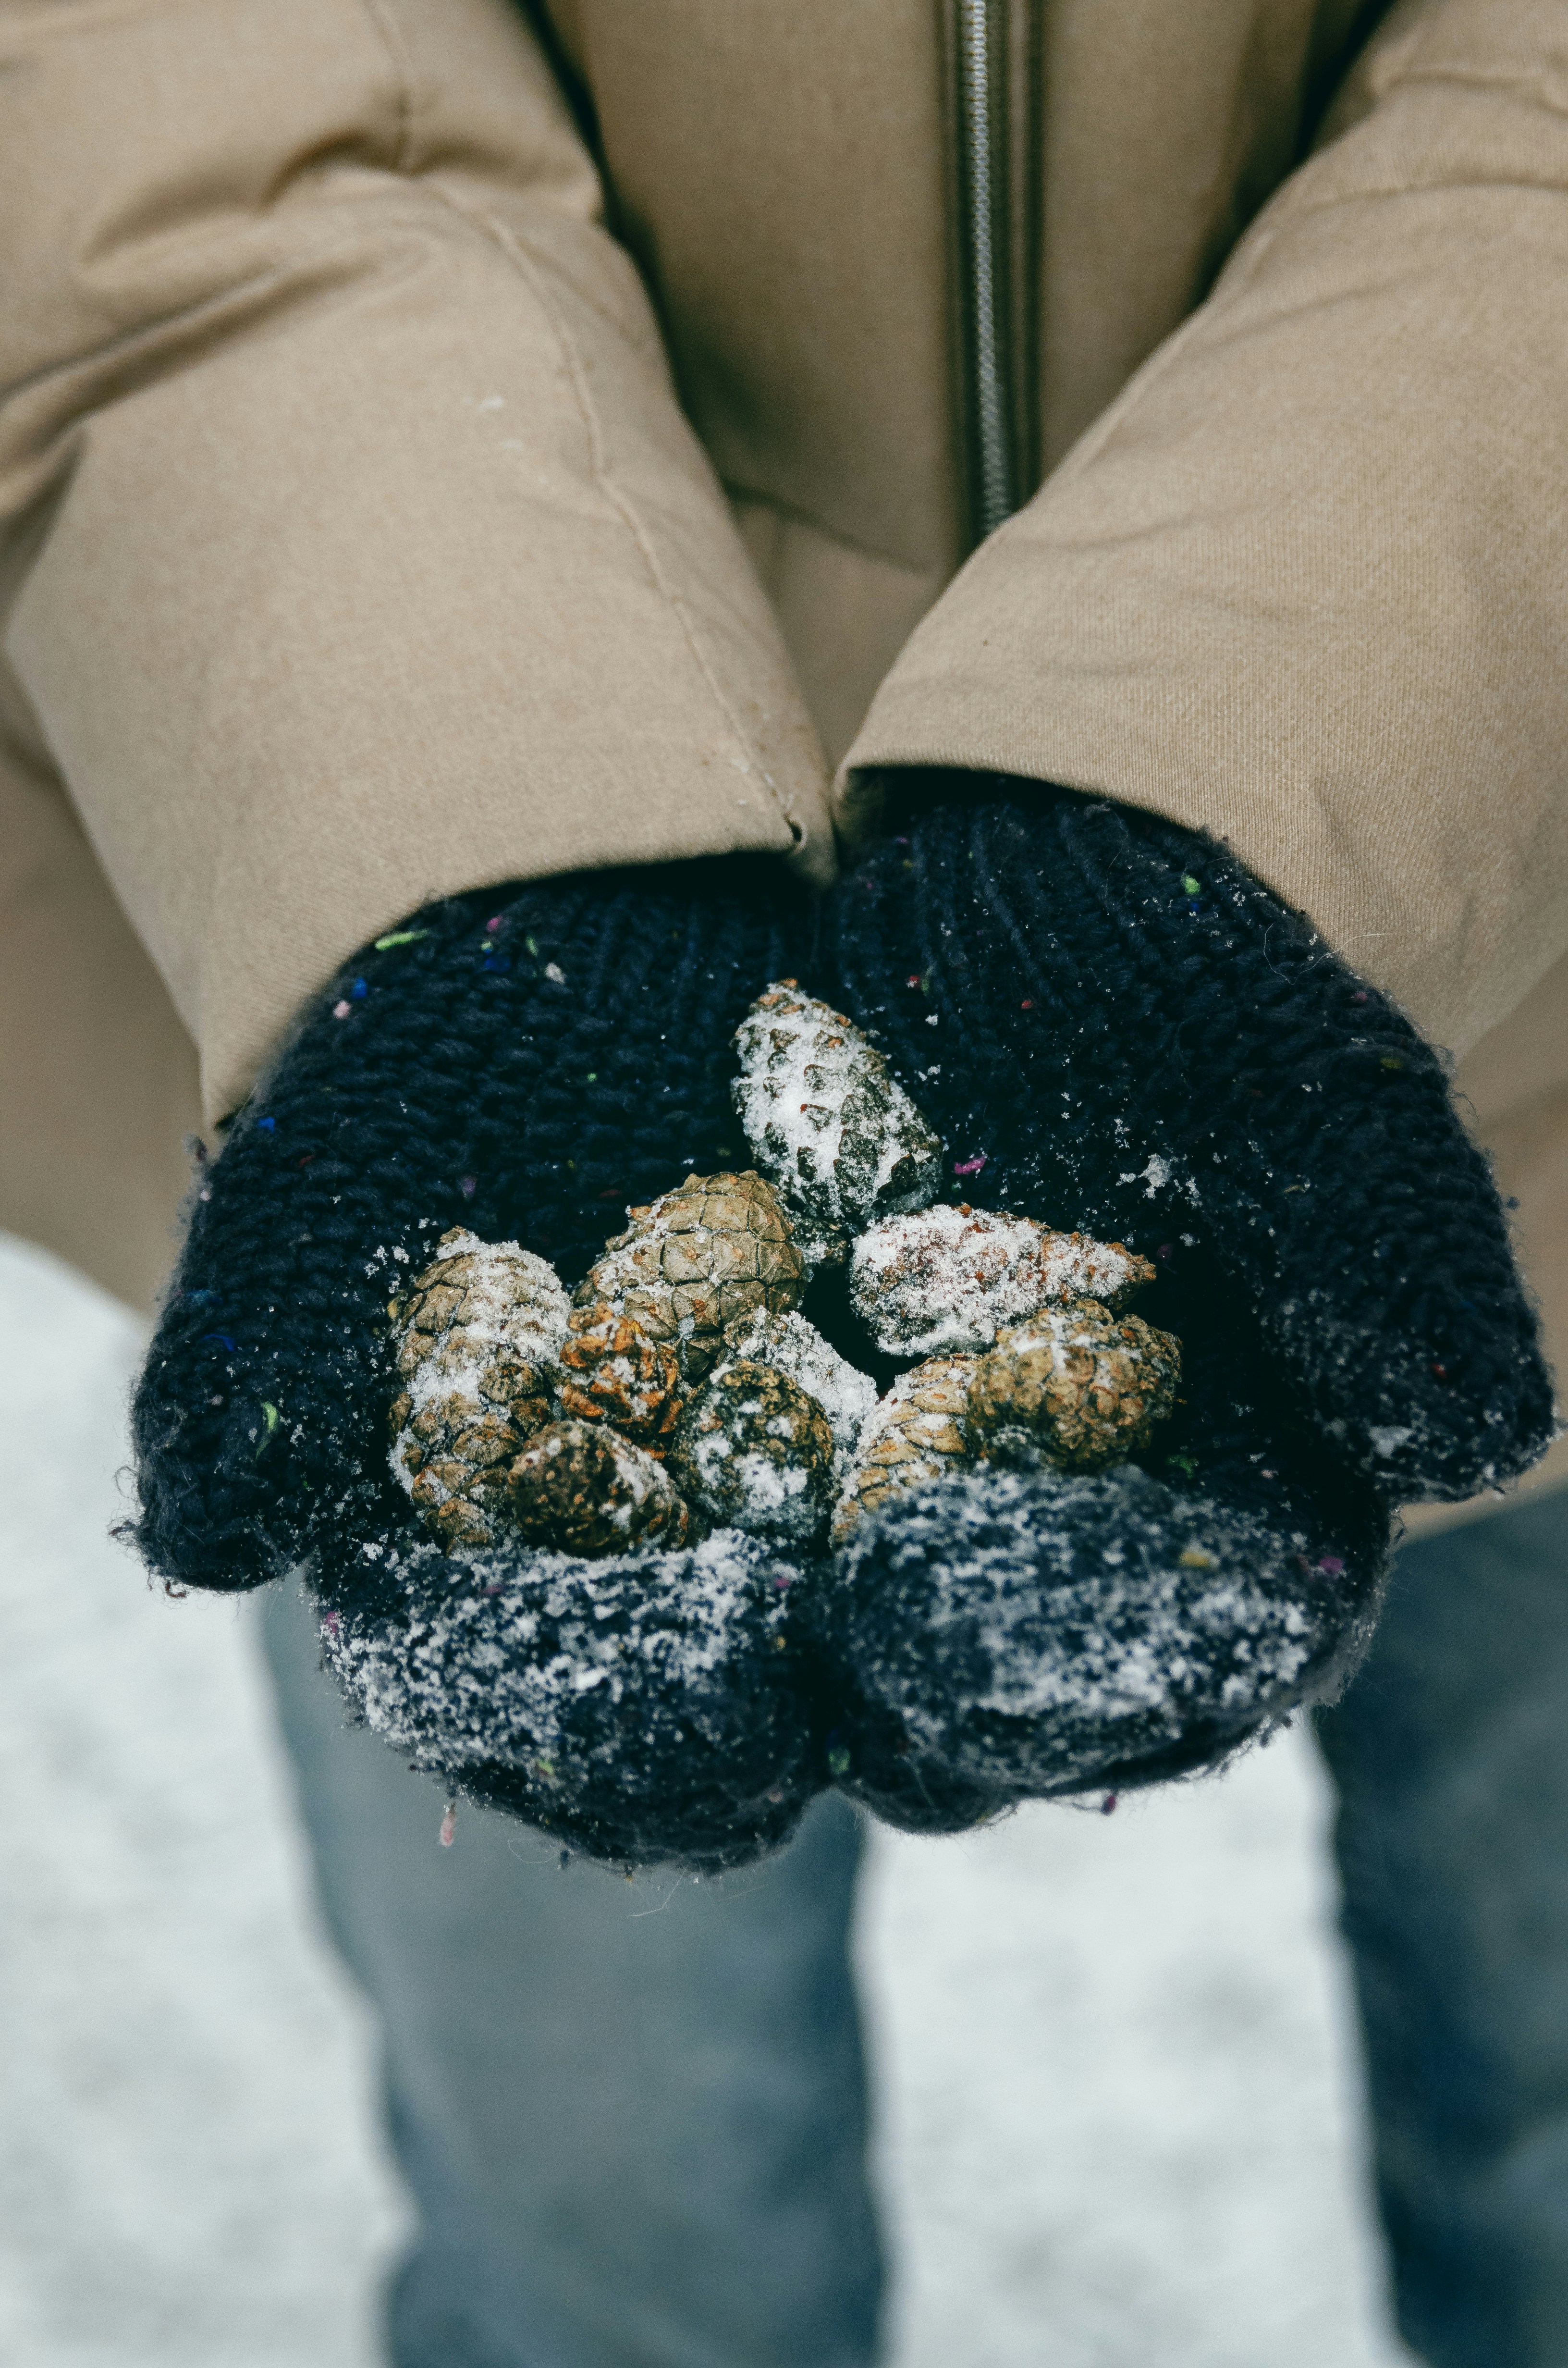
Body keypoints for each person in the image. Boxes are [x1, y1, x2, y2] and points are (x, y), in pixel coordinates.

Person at [2, 1, 1564, 2359]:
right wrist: (481, 828)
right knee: (619, 2248)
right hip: (407, 928)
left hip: (1498, 950)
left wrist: (1235, 768)